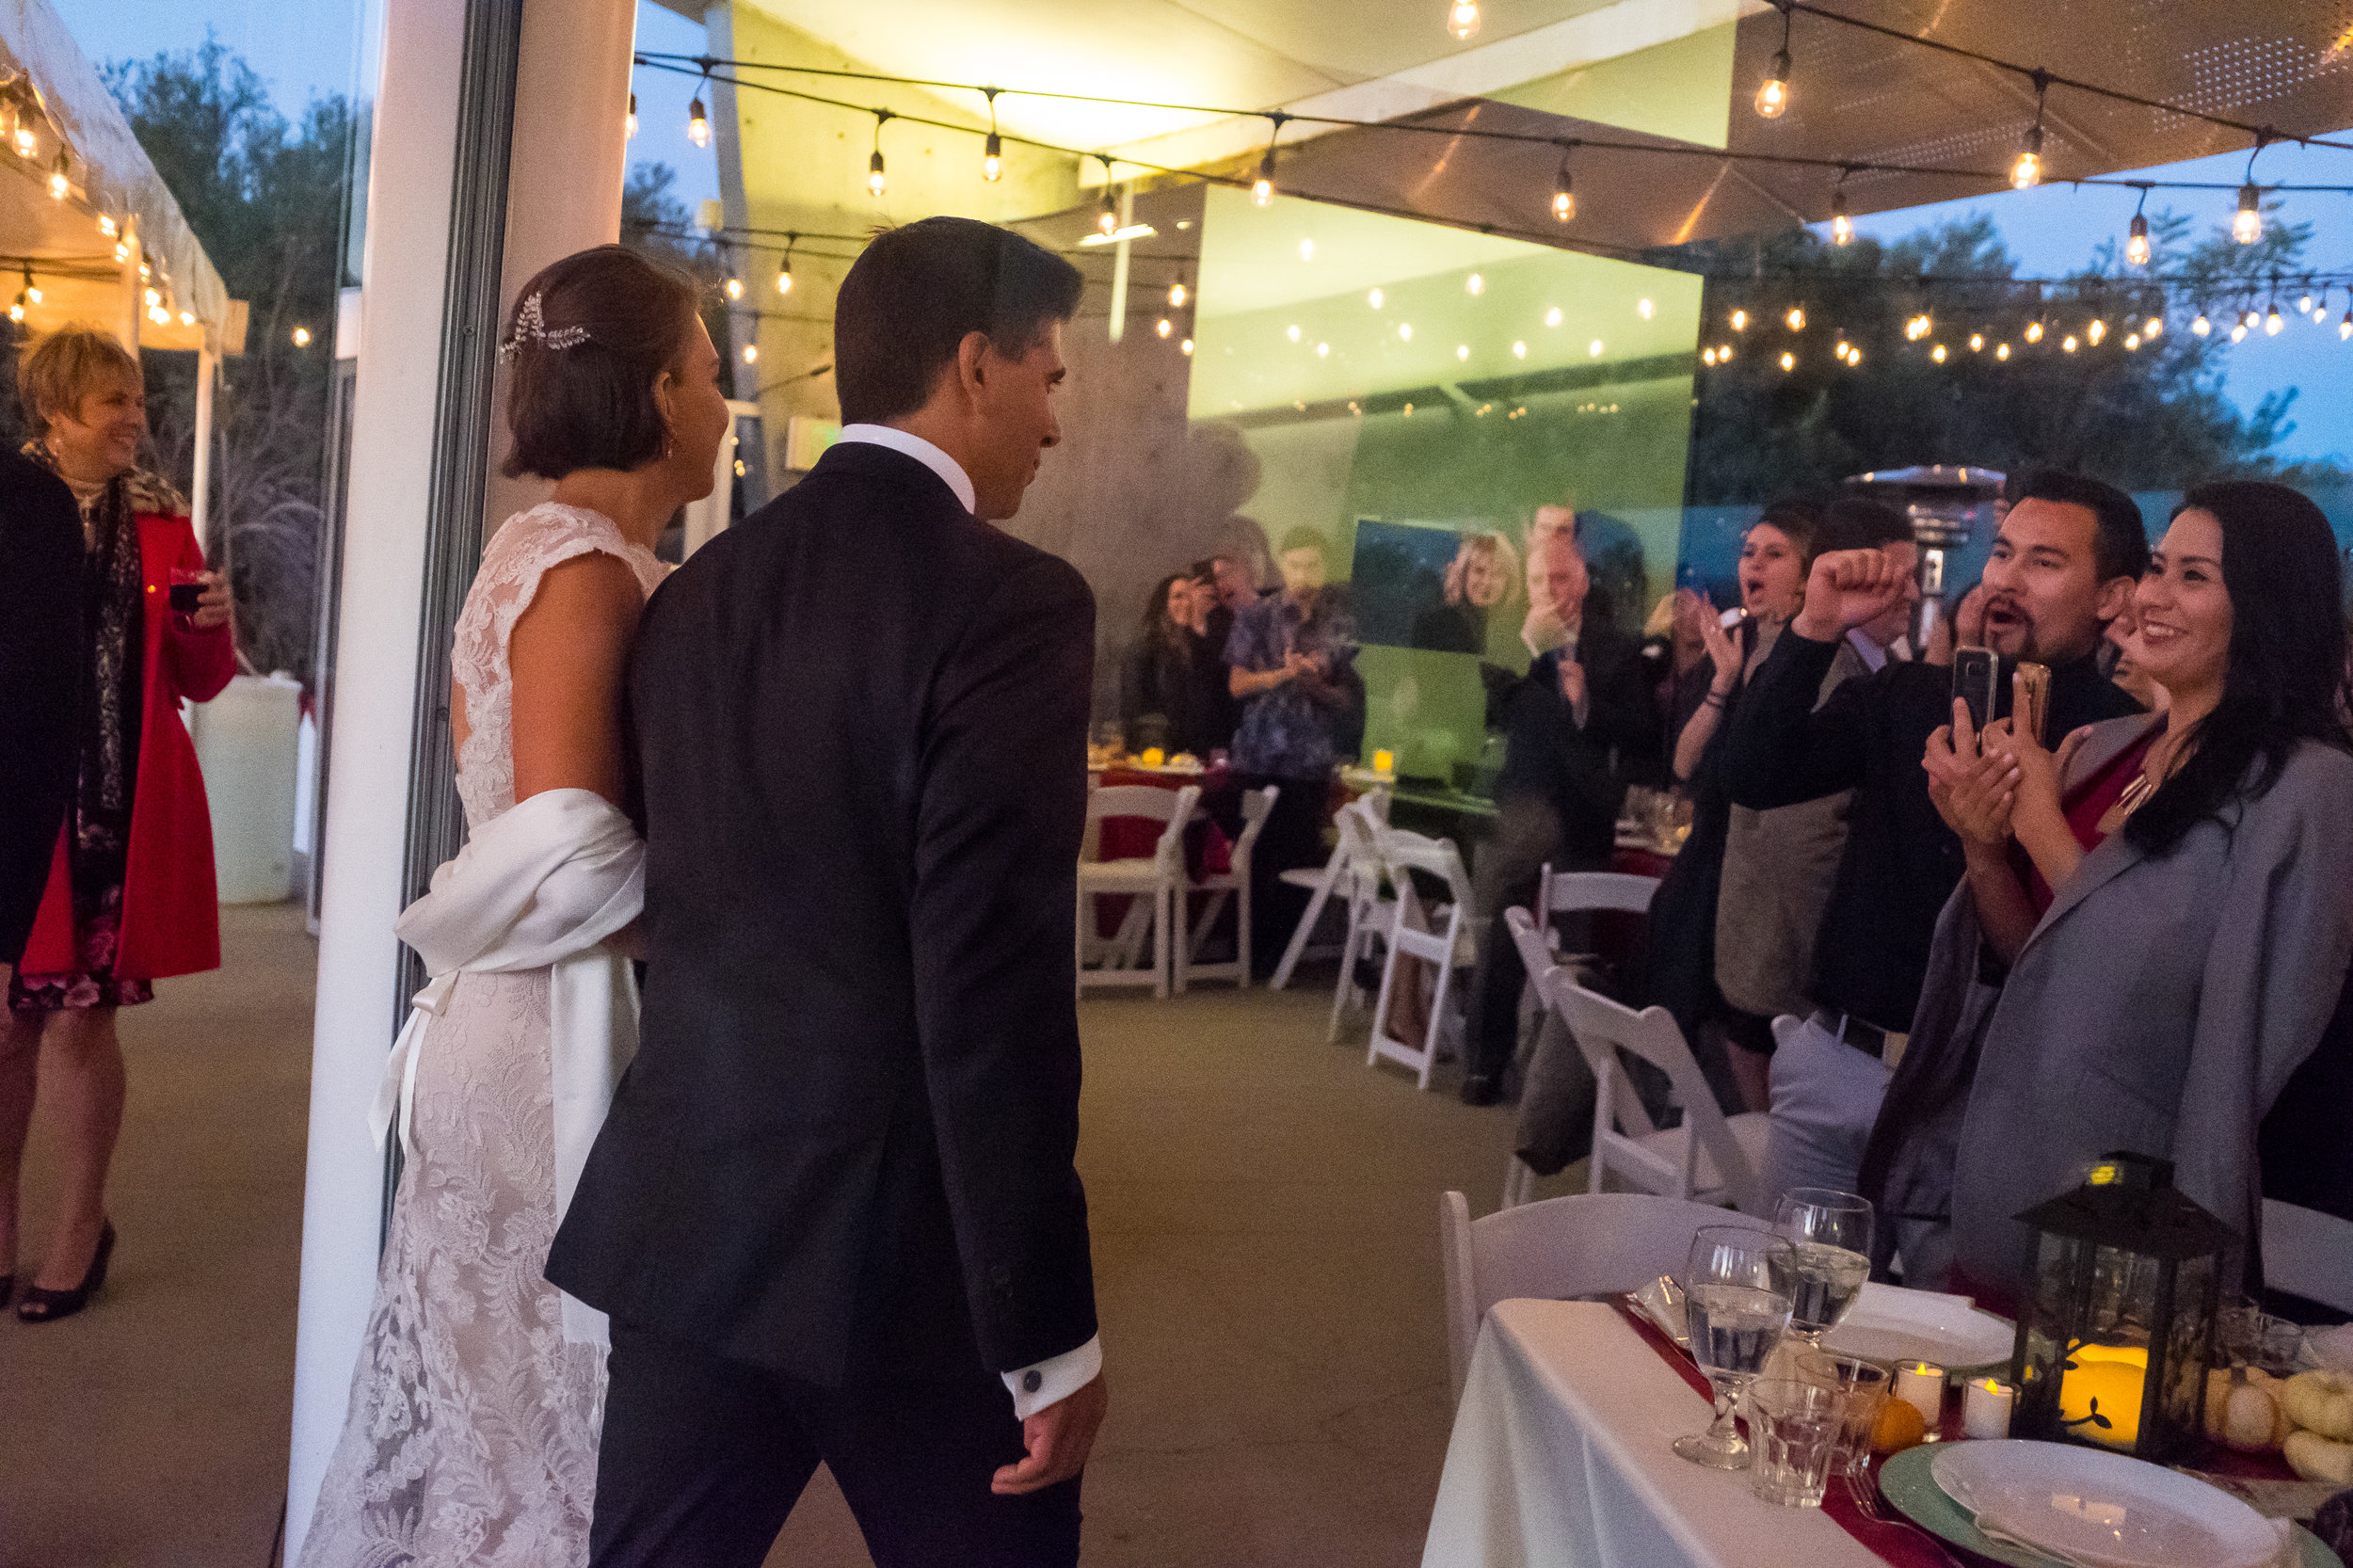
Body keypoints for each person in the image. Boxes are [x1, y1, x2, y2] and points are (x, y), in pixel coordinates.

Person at [547, 216, 1105, 1565]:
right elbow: (992, 988)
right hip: (907, 1258)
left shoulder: (693, 594)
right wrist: (1046, 1326)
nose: (1057, 419)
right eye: (1052, 374)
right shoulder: (1015, 605)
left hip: (690, 1218)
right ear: (975, 366)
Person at [297, 247, 724, 1561]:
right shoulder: (585, 571)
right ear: (659, 393)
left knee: (523, 1429)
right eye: (711, 374)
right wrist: (747, 915)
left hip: (536, 1026)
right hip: (552, 1049)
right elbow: (571, 854)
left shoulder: (557, 552)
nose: (723, 402)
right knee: (546, 1439)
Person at [1910, 481, 2353, 1300]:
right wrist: (1983, 847)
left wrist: (2040, 821)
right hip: (1996, 1170)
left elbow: (2222, 1034)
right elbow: (2036, 962)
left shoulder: (2307, 789)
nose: (2152, 596)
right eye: (2155, 568)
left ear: (2266, 604)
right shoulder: (2101, 746)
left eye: (2193, 577)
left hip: (2127, 1221)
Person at [1723, 471, 2148, 1224]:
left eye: (2044, 564)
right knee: (1786, 1314)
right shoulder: (1908, 695)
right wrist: (1818, 623)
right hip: (1838, 1067)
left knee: (1934, 1334)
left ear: (2112, 596)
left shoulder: (2122, 743)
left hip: (1981, 1094)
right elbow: (1752, 775)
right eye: (2003, 554)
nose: (2008, 581)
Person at [1, 328, 232, 1323]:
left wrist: (207, 622)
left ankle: (78, 1230)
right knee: (9, 1026)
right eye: (112, 402)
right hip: (18, 802)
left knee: (75, 1019)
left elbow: (206, 679)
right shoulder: (11, 507)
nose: (135, 419)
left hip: (108, 808)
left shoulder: (161, 522)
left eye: (136, 400)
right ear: (55, 407)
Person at [1712, 499, 1914, 1128]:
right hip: (1786, 973)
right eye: (1897, 575)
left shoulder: (1870, 665)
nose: (1912, 591)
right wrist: (1825, 974)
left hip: (1766, 958)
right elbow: (1800, 844)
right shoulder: (1828, 667)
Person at [1459, 516, 1657, 1105]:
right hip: (1522, 807)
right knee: (1502, 942)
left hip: (1585, 811)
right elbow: (1488, 715)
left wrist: (1586, 705)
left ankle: (1567, 1088)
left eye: (1561, 577)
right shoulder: (1508, 640)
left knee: (1581, 950)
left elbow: (1644, 733)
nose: (1550, 589)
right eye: (1541, 579)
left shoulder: (1618, 647)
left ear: (1584, 581)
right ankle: (1484, 1065)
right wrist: (1528, 649)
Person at [1644, 500, 1819, 1114]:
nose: (1756, 563)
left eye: (1775, 554)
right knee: (1707, 1025)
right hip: (1707, 865)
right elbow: (1685, 764)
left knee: (1749, 1038)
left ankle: (1749, 1171)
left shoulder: (1812, 663)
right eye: (1750, 552)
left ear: (1807, 576)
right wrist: (1722, 680)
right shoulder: (1738, 646)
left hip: (1758, 878)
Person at [1225, 526, 1363, 976]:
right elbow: (1237, 684)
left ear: (1325, 568)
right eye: (1296, 564)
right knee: (1253, 852)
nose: (1304, 574)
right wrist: (1282, 676)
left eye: (1313, 565)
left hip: (1309, 762)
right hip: (1256, 757)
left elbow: (1345, 701)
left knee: (1302, 856)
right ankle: (1243, 951)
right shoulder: (1256, 616)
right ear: (1282, 565)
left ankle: (1282, 956)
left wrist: (1311, 683)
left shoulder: (1340, 622)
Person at [1120, 571, 1224, 756]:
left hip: (1194, 755)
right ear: (1163, 603)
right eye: (1178, 596)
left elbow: (1212, 699)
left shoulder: (1200, 646)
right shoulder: (1145, 648)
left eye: (1191, 597)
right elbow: (1132, 708)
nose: (1187, 603)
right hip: (1156, 752)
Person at [1412, 530, 1519, 655]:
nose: (1487, 582)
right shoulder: (1432, 627)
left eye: (1497, 573)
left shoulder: (1518, 632)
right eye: (1479, 570)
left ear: (1509, 580)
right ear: (1463, 574)